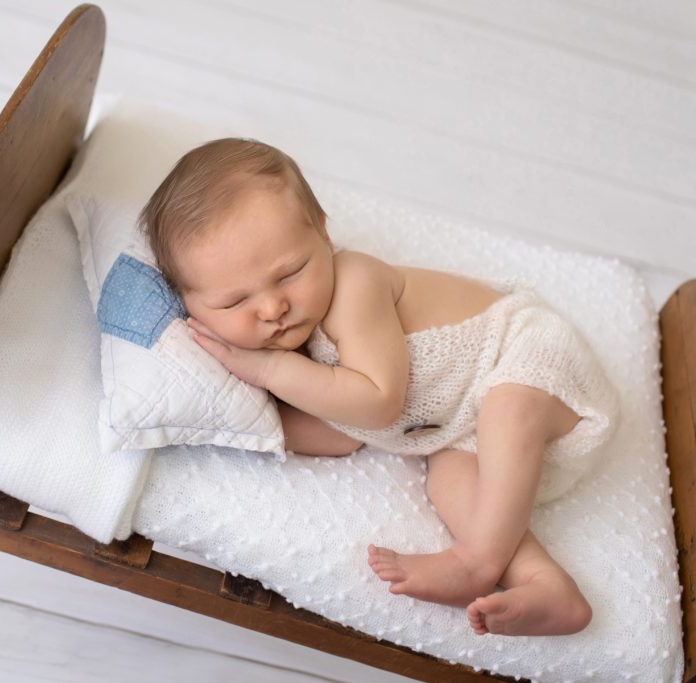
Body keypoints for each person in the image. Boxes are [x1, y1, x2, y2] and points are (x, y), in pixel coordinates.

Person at [138, 138, 618, 636]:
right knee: (449, 483)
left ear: (323, 233)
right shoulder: (292, 347)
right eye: (235, 301)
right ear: (192, 307)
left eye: (291, 272)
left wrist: (268, 372)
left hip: (529, 361)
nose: (272, 308)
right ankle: (546, 585)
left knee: (508, 405)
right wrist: (238, 418)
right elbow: (345, 433)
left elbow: (377, 403)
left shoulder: (352, 284)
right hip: (470, 435)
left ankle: (476, 563)